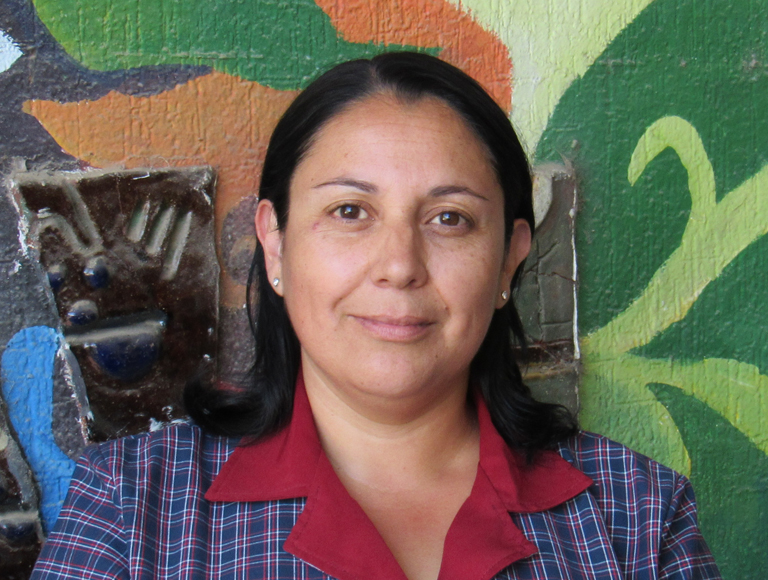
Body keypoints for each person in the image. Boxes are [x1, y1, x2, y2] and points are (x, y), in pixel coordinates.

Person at [31, 52, 720, 580]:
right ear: (276, 244)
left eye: (450, 218)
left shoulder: (639, 517)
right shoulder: (133, 508)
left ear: (509, 260)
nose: (399, 264)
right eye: (349, 211)